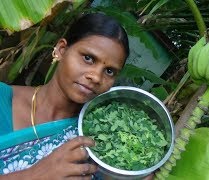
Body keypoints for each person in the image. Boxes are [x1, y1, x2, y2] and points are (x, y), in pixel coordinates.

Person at [0, 13, 130, 179]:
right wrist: (33, 175)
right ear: (61, 50)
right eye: (88, 58)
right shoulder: (3, 99)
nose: (96, 77)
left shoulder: (96, 140)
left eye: (109, 71)